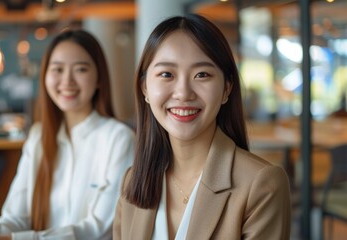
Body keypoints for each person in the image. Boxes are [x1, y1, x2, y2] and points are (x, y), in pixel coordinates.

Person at [113, 14, 291, 239]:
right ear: (145, 88)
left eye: (202, 74)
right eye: (166, 74)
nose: (183, 93)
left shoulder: (261, 184)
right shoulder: (133, 181)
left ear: (226, 89)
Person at [0, 29, 135, 240]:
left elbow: (100, 230)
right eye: (57, 69)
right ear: (45, 77)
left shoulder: (118, 139)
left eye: (80, 69)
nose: (67, 80)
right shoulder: (38, 138)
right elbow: (16, 217)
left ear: (99, 78)